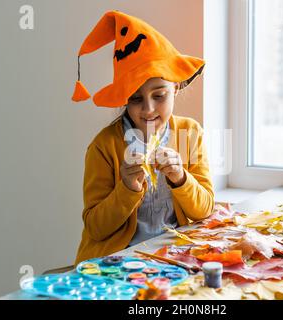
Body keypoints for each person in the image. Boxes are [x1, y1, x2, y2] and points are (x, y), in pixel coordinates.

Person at [71, 10, 214, 265]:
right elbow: (96, 228)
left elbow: (205, 209)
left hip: (172, 259)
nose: (147, 109)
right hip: (117, 263)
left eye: (159, 96)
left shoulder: (189, 134)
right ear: (125, 99)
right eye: (136, 99)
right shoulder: (104, 146)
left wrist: (181, 178)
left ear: (176, 87)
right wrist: (126, 189)